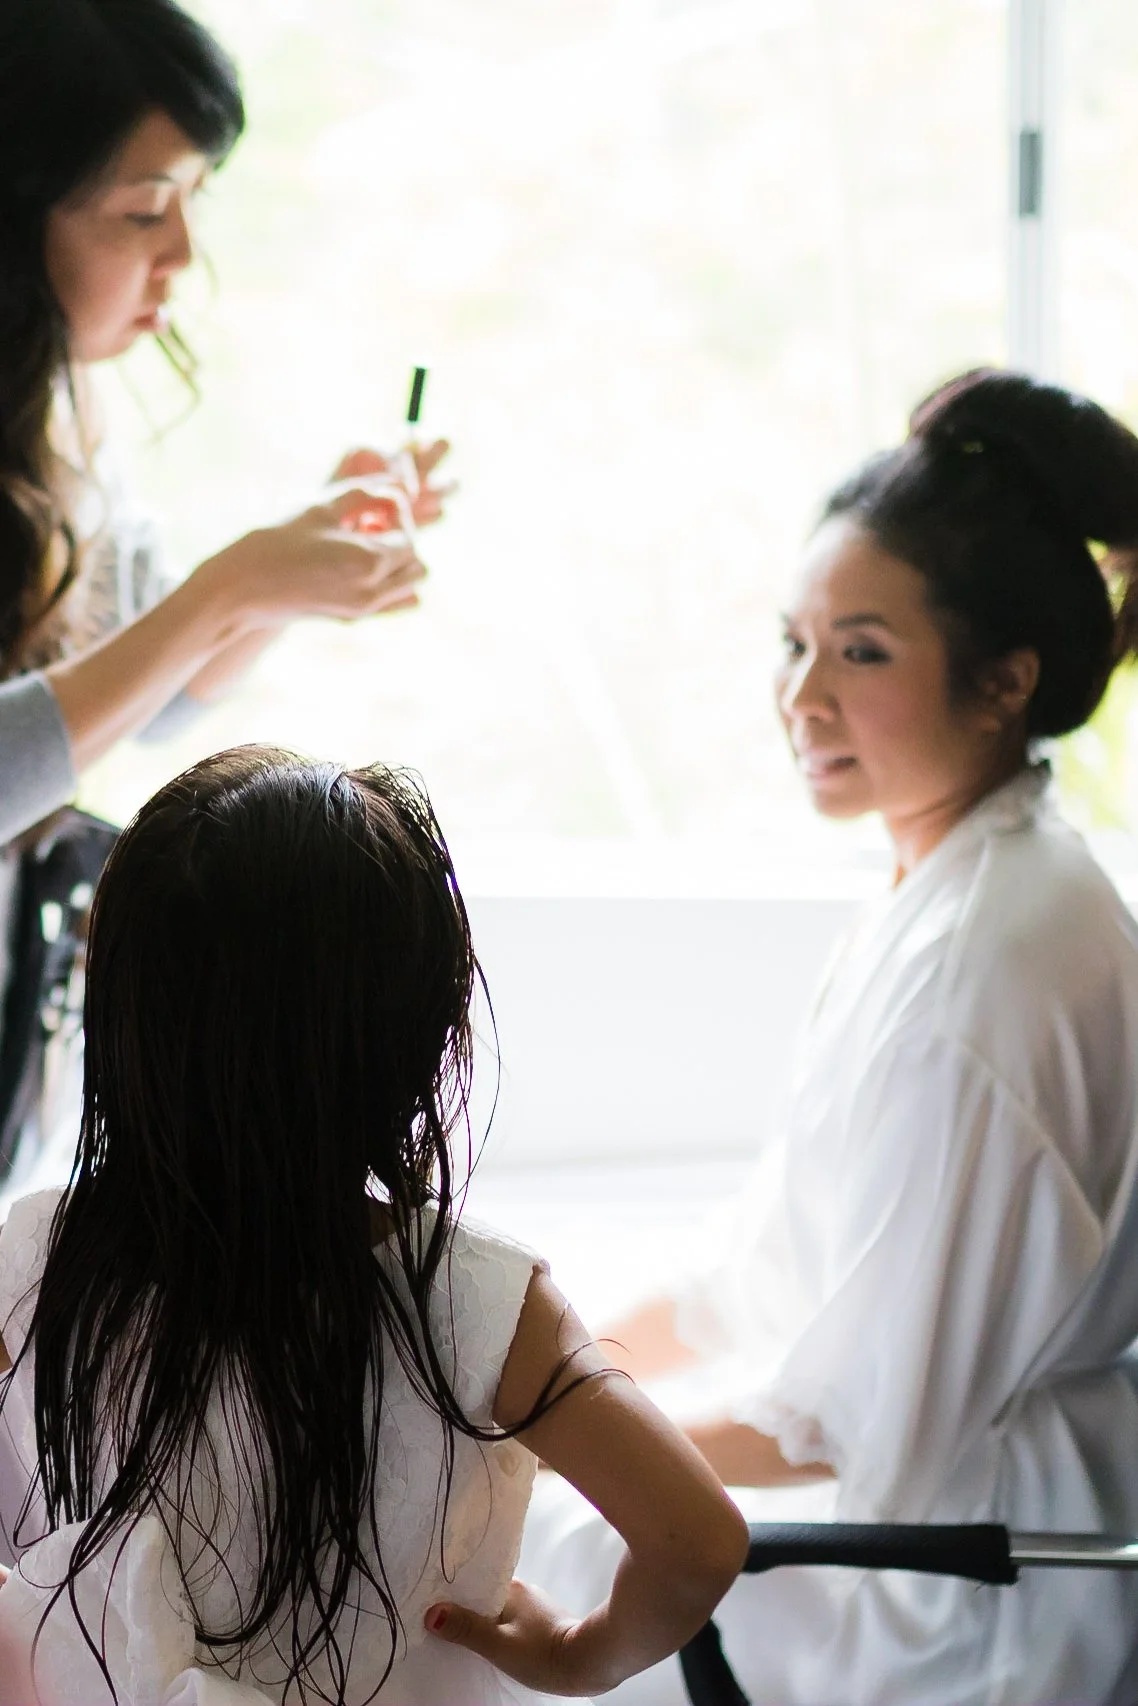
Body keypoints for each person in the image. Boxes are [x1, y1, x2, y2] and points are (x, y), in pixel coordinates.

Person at [519, 367, 1138, 1706]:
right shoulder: (953, 880)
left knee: (503, 1543)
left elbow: (847, 1416)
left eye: (859, 651)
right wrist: (544, 1352)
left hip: (954, 1592)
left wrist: (532, 1435)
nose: (800, 695)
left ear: (1000, 681)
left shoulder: (991, 971)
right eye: (792, 642)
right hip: (924, 1498)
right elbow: (763, 1270)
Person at [0, 747, 748, 1705]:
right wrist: (577, 1654)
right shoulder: (482, 1307)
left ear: (114, 1000)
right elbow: (698, 1544)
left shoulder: (35, 1259)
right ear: (427, 1030)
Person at [0, 0, 449, 1180]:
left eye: (194, 200)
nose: (183, 255)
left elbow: (145, 702)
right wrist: (227, 586)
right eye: (144, 210)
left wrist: (288, 571)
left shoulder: (69, 421)